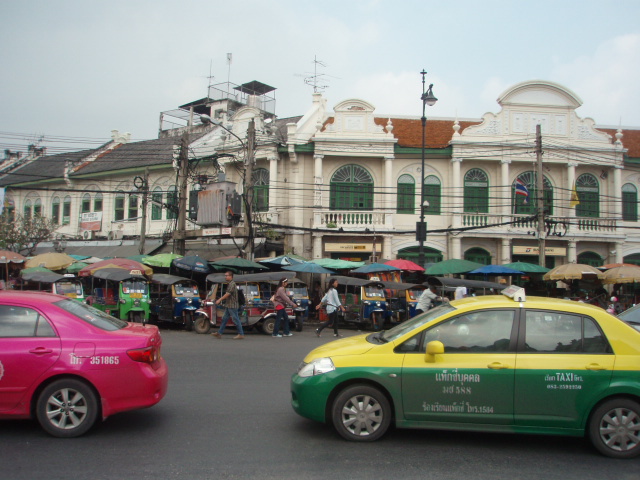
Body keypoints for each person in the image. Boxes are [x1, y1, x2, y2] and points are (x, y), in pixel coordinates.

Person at [211, 271, 244, 340]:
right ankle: (219, 333)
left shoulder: (232, 284)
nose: (225, 277)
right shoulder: (230, 284)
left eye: (226, 275)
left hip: (232, 305)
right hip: (229, 305)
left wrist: (220, 299)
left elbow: (228, 294)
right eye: (225, 275)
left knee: (236, 319)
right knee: (224, 319)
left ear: (231, 276)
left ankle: (241, 334)